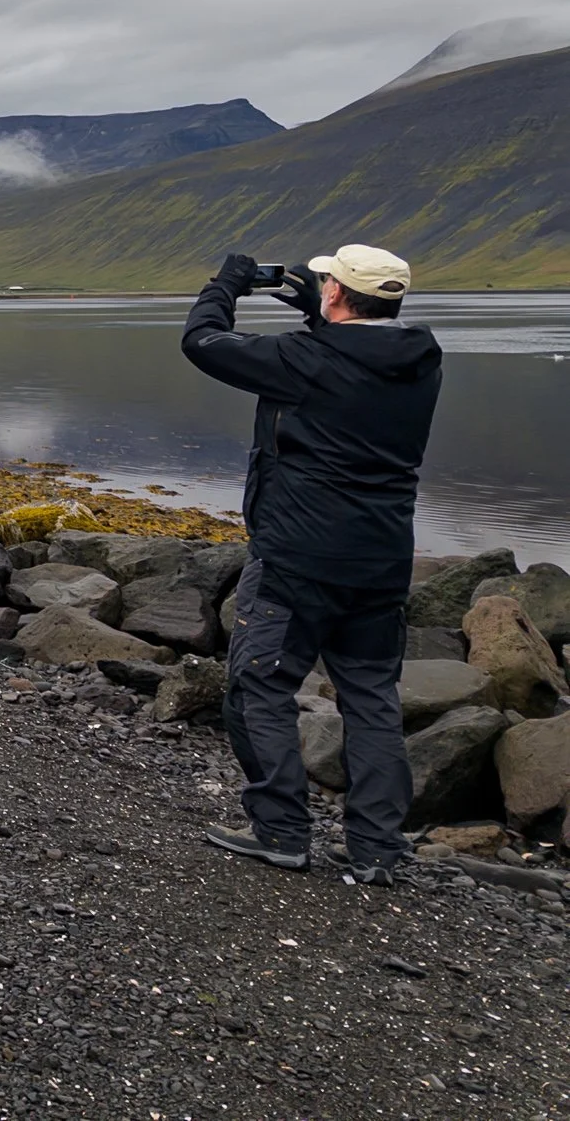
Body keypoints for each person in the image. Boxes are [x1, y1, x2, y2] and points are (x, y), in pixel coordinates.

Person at [180, 244, 441, 884]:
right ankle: (378, 849)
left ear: (335, 293)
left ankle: (281, 830)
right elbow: (358, 352)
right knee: (372, 698)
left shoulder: (306, 360)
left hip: (297, 557)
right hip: (381, 559)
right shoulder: (422, 360)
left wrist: (227, 283)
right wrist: (318, 313)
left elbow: (204, 341)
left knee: (259, 686)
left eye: (326, 282)